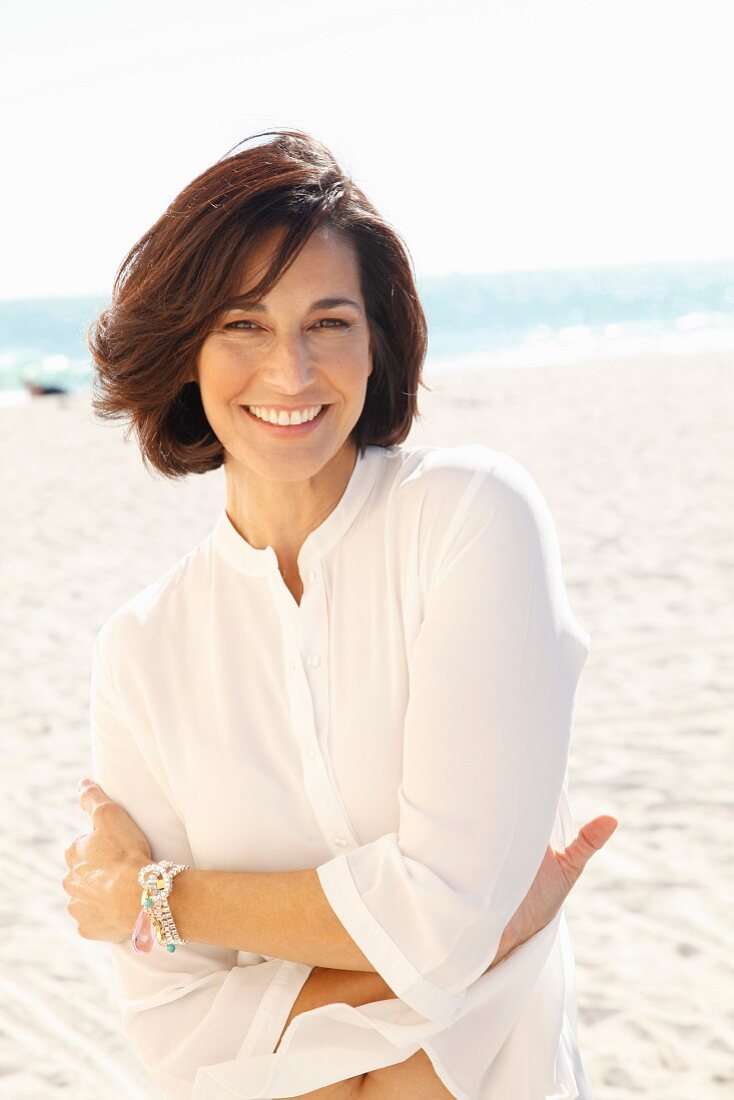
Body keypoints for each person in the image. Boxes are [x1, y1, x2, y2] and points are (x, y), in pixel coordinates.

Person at [62, 129, 617, 1099]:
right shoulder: (141, 652)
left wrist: (156, 896)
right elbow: (174, 1033)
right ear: (184, 345)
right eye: (242, 324)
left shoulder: (469, 519)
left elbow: (439, 923)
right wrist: (476, 936)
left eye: (327, 322)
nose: (290, 373)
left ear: (376, 341)